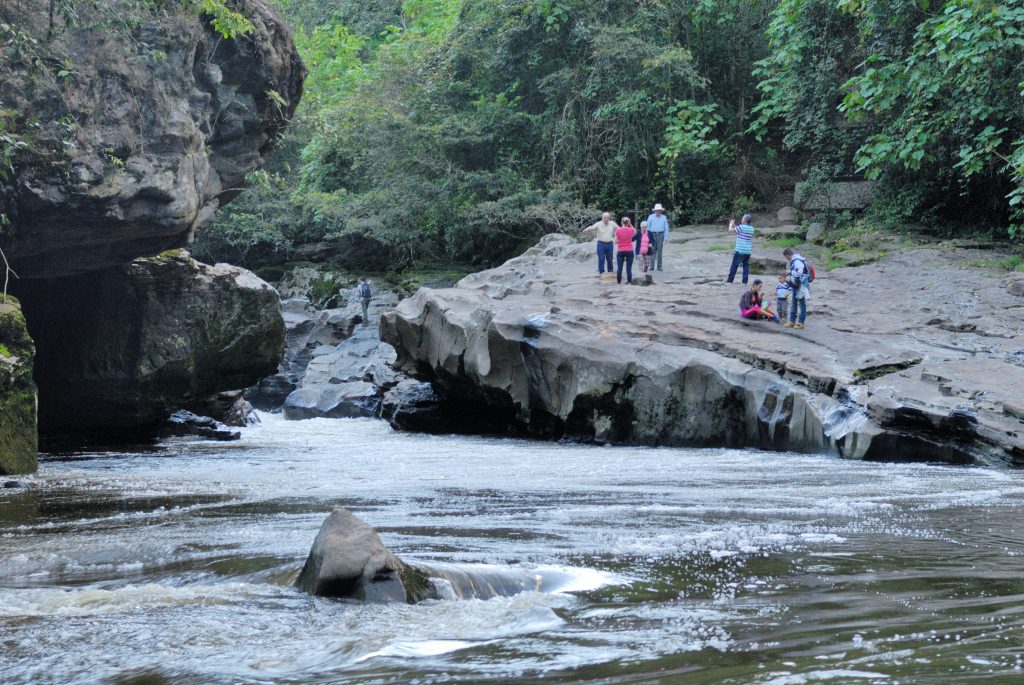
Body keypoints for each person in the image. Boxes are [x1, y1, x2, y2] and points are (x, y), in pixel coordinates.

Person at [782, 247, 810, 329]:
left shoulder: (796, 261)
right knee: (794, 302)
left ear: (787, 255)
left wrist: (792, 272)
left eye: (786, 257)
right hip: (796, 284)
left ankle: (801, 323)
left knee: (801, 303)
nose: (786, 259)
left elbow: (799, 271)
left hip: (800, 285)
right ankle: (792, 321)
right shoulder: (796, 259)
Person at [726, 214, 755, 284]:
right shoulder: (752, 228)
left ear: (744, 220)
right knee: (746, 266)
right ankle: (744, 282)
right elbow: (739, 229)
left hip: (740, 250)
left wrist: (731, 224)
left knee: (734, 265)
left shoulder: (741, 227)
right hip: (748, 251)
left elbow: (730, 230)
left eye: (742, 219)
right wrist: (734, 225)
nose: (741, 220)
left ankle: (729, 281)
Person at [645, 203, 669, 271]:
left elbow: (666, 228)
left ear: (661, 210)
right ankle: (651, 266)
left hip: (660, 235)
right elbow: (648, 227)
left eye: (659, 210)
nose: (658, 211)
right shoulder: (650, 217)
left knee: (659, 251)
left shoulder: (664, 217)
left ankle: (659, 266)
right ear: (654, 210)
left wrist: (666, 238)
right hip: (652, 234)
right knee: (652, 251)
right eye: (657, 210)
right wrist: (647, 237)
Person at [615, 217, 637, 284]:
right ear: (628, 222)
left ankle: (618, 282)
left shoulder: (618, 230)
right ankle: (629, 281)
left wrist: (620, 241)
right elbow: (635, 232)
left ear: (621, 222)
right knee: (629, 267)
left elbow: (615, 241)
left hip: (620, 250)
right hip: (629, 250)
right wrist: (630, 224)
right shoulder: (630, 230)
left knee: (619, 267)